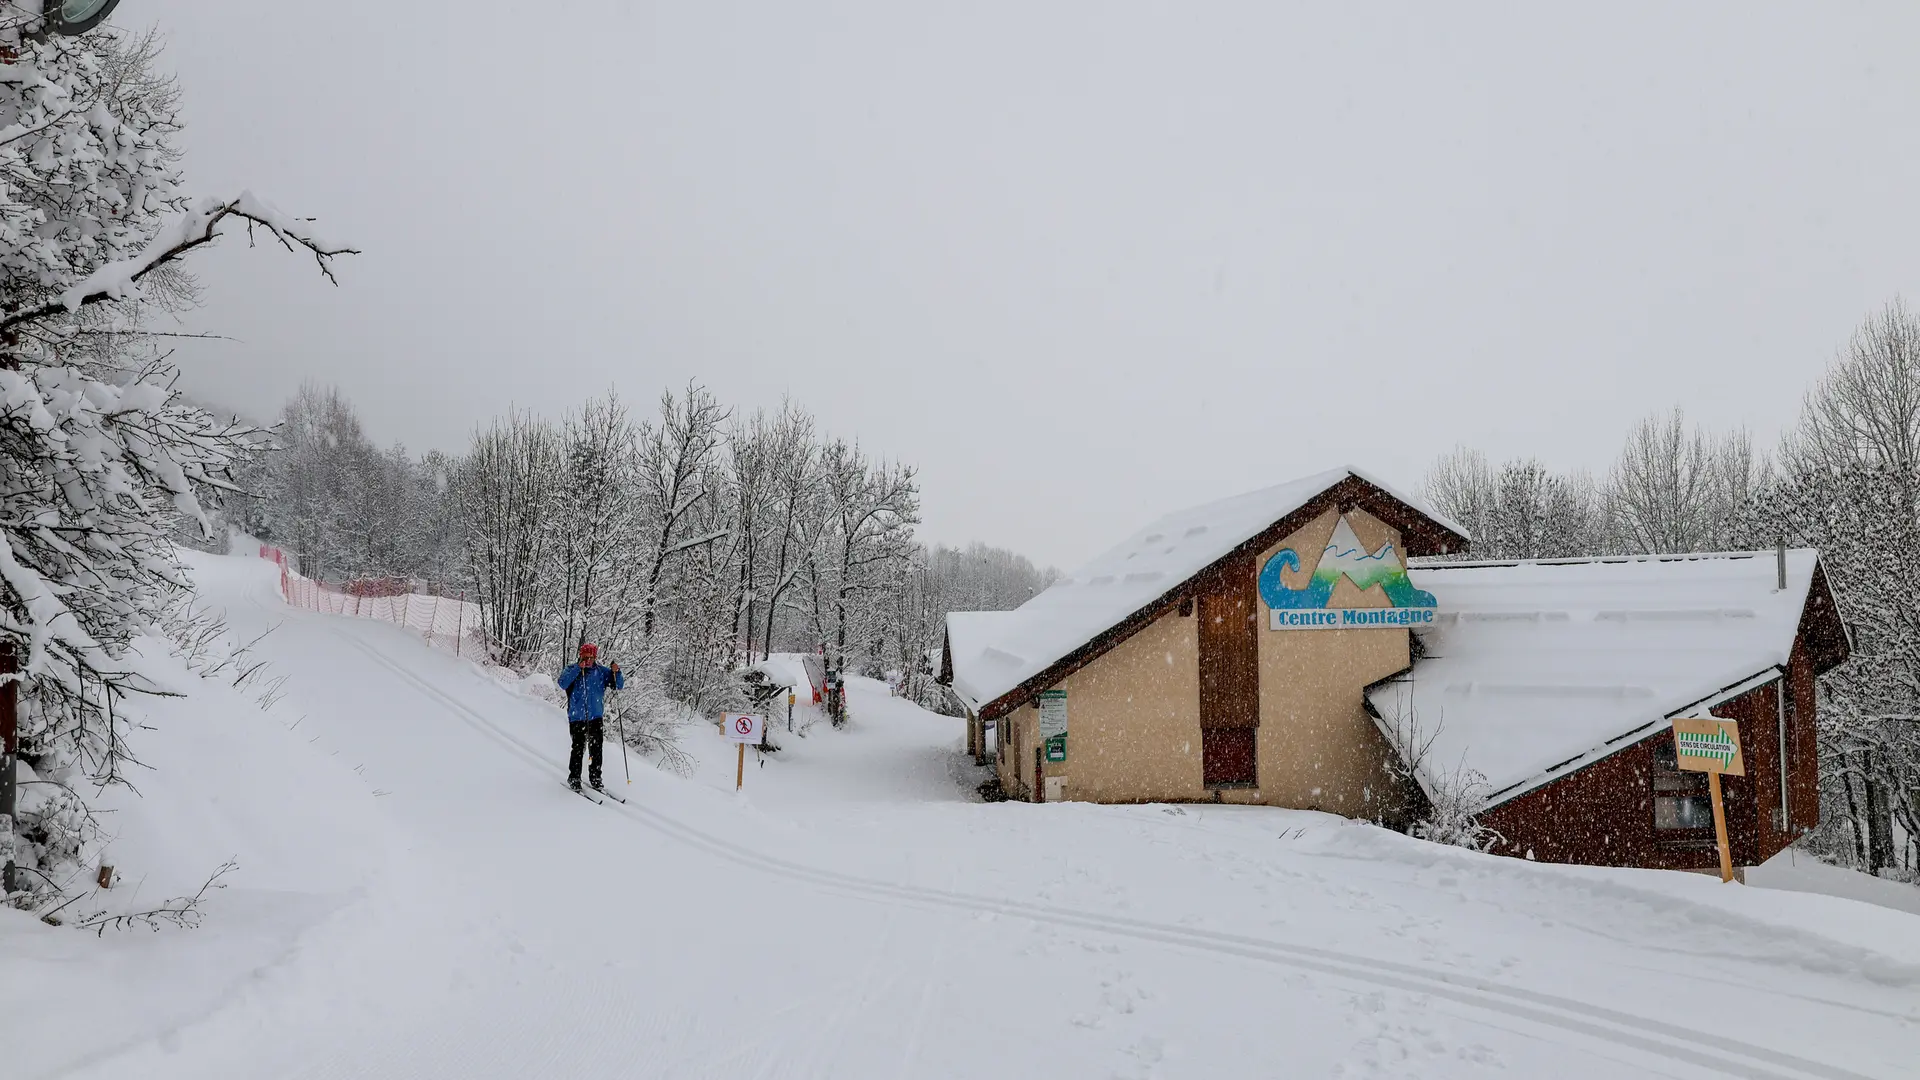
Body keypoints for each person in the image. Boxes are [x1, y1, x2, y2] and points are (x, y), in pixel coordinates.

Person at [557, 642, 623, 791]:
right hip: (577, 717)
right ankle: (574, 778)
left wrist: (616, 672)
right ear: (580, 656)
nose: (588, 660)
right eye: (585, 657)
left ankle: (596, 777)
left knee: (596, 749)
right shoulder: (572, 669)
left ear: (595, 657)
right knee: (578, 748)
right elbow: (562, 683)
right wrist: (577, 669)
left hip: (595, 717)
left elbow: (618, 685)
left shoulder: (600, 672)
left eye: (591, 657)